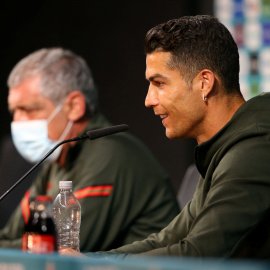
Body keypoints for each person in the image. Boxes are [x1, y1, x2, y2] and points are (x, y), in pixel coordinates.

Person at [60, 15, 270, 259]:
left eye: (159, 83)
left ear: (205, 83)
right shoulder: (225, 149)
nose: (149, 100)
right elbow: (170, 238)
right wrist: (92, 260)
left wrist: (95, 266)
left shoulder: (254, 148)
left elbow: (199, 254)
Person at [0, 47, 180, 252]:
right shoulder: (58, 159)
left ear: (75, 106)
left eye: (29, 110)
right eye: (14, 112)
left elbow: (62, 248)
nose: (17, 122)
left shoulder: (110, 155)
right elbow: (13, 236)